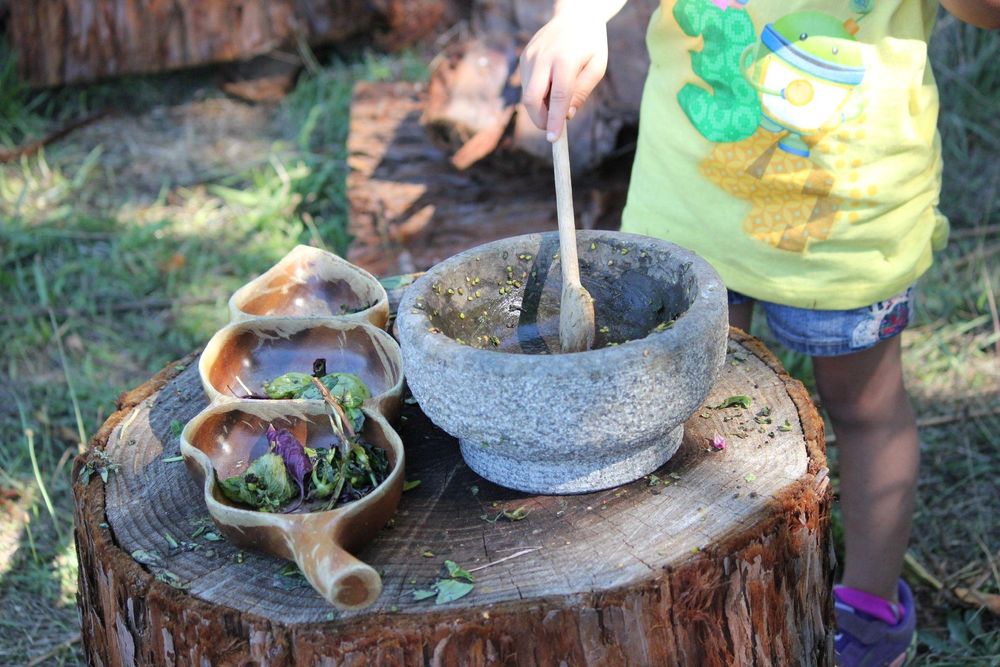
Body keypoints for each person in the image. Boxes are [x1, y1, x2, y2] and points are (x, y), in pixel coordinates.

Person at [520, 0, 999, 664]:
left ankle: (869, 609)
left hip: (850, 221)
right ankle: (691, 593)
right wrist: (578, 17)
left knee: (865, 407)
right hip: (691, 204)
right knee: (690, 408)